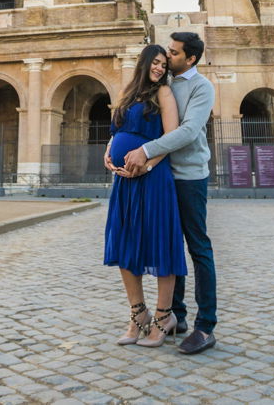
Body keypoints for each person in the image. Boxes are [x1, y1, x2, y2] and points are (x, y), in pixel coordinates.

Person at [120, 31, 217, 355]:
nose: (168, 57)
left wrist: (144, 151)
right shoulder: (165, 82)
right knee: (168, 246)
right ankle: (174, 315)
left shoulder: (201, 87)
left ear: (190, 58)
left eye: (174, 54)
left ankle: (206, 325)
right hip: (158, 177)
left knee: (198, 247)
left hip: (188, 176)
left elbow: (188, 132)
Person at [102, 44, 187, 347]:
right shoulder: (129, 93)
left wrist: (147, 166)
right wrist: (108, 152)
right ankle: (138, 314)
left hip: (152, 180)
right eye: (156, 63)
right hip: (125, 180)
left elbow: (170, 138)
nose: (160, 68)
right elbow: (115, 131)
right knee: (125, 243)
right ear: (144, 62)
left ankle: (165, 317)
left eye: (164, 65)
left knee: (160, 243)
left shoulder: (163, 94)